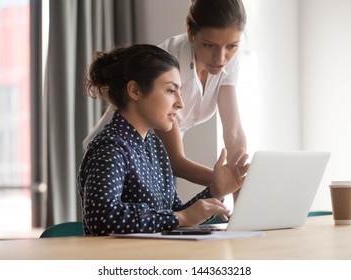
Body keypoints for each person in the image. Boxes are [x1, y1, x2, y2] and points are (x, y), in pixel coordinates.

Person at [78, 44, 249, 235]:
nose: (180, 103)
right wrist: (181, 218)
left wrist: (216, 190)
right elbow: (102, 218)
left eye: (180, 92)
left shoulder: (155, 147)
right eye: (170, 91)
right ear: (134, 91)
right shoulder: (110, 148)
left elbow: (174, 214)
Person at [83, 0, 247, 188]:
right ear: (190, 33)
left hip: (154, 156)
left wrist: (241, 198)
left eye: (231, 46)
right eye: (209, 45)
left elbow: (233, 134)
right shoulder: (169, 63)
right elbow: (176, 160)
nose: (220, 58)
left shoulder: (228, 59)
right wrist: (230, 182)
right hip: (120, 154)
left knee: (168, 213)